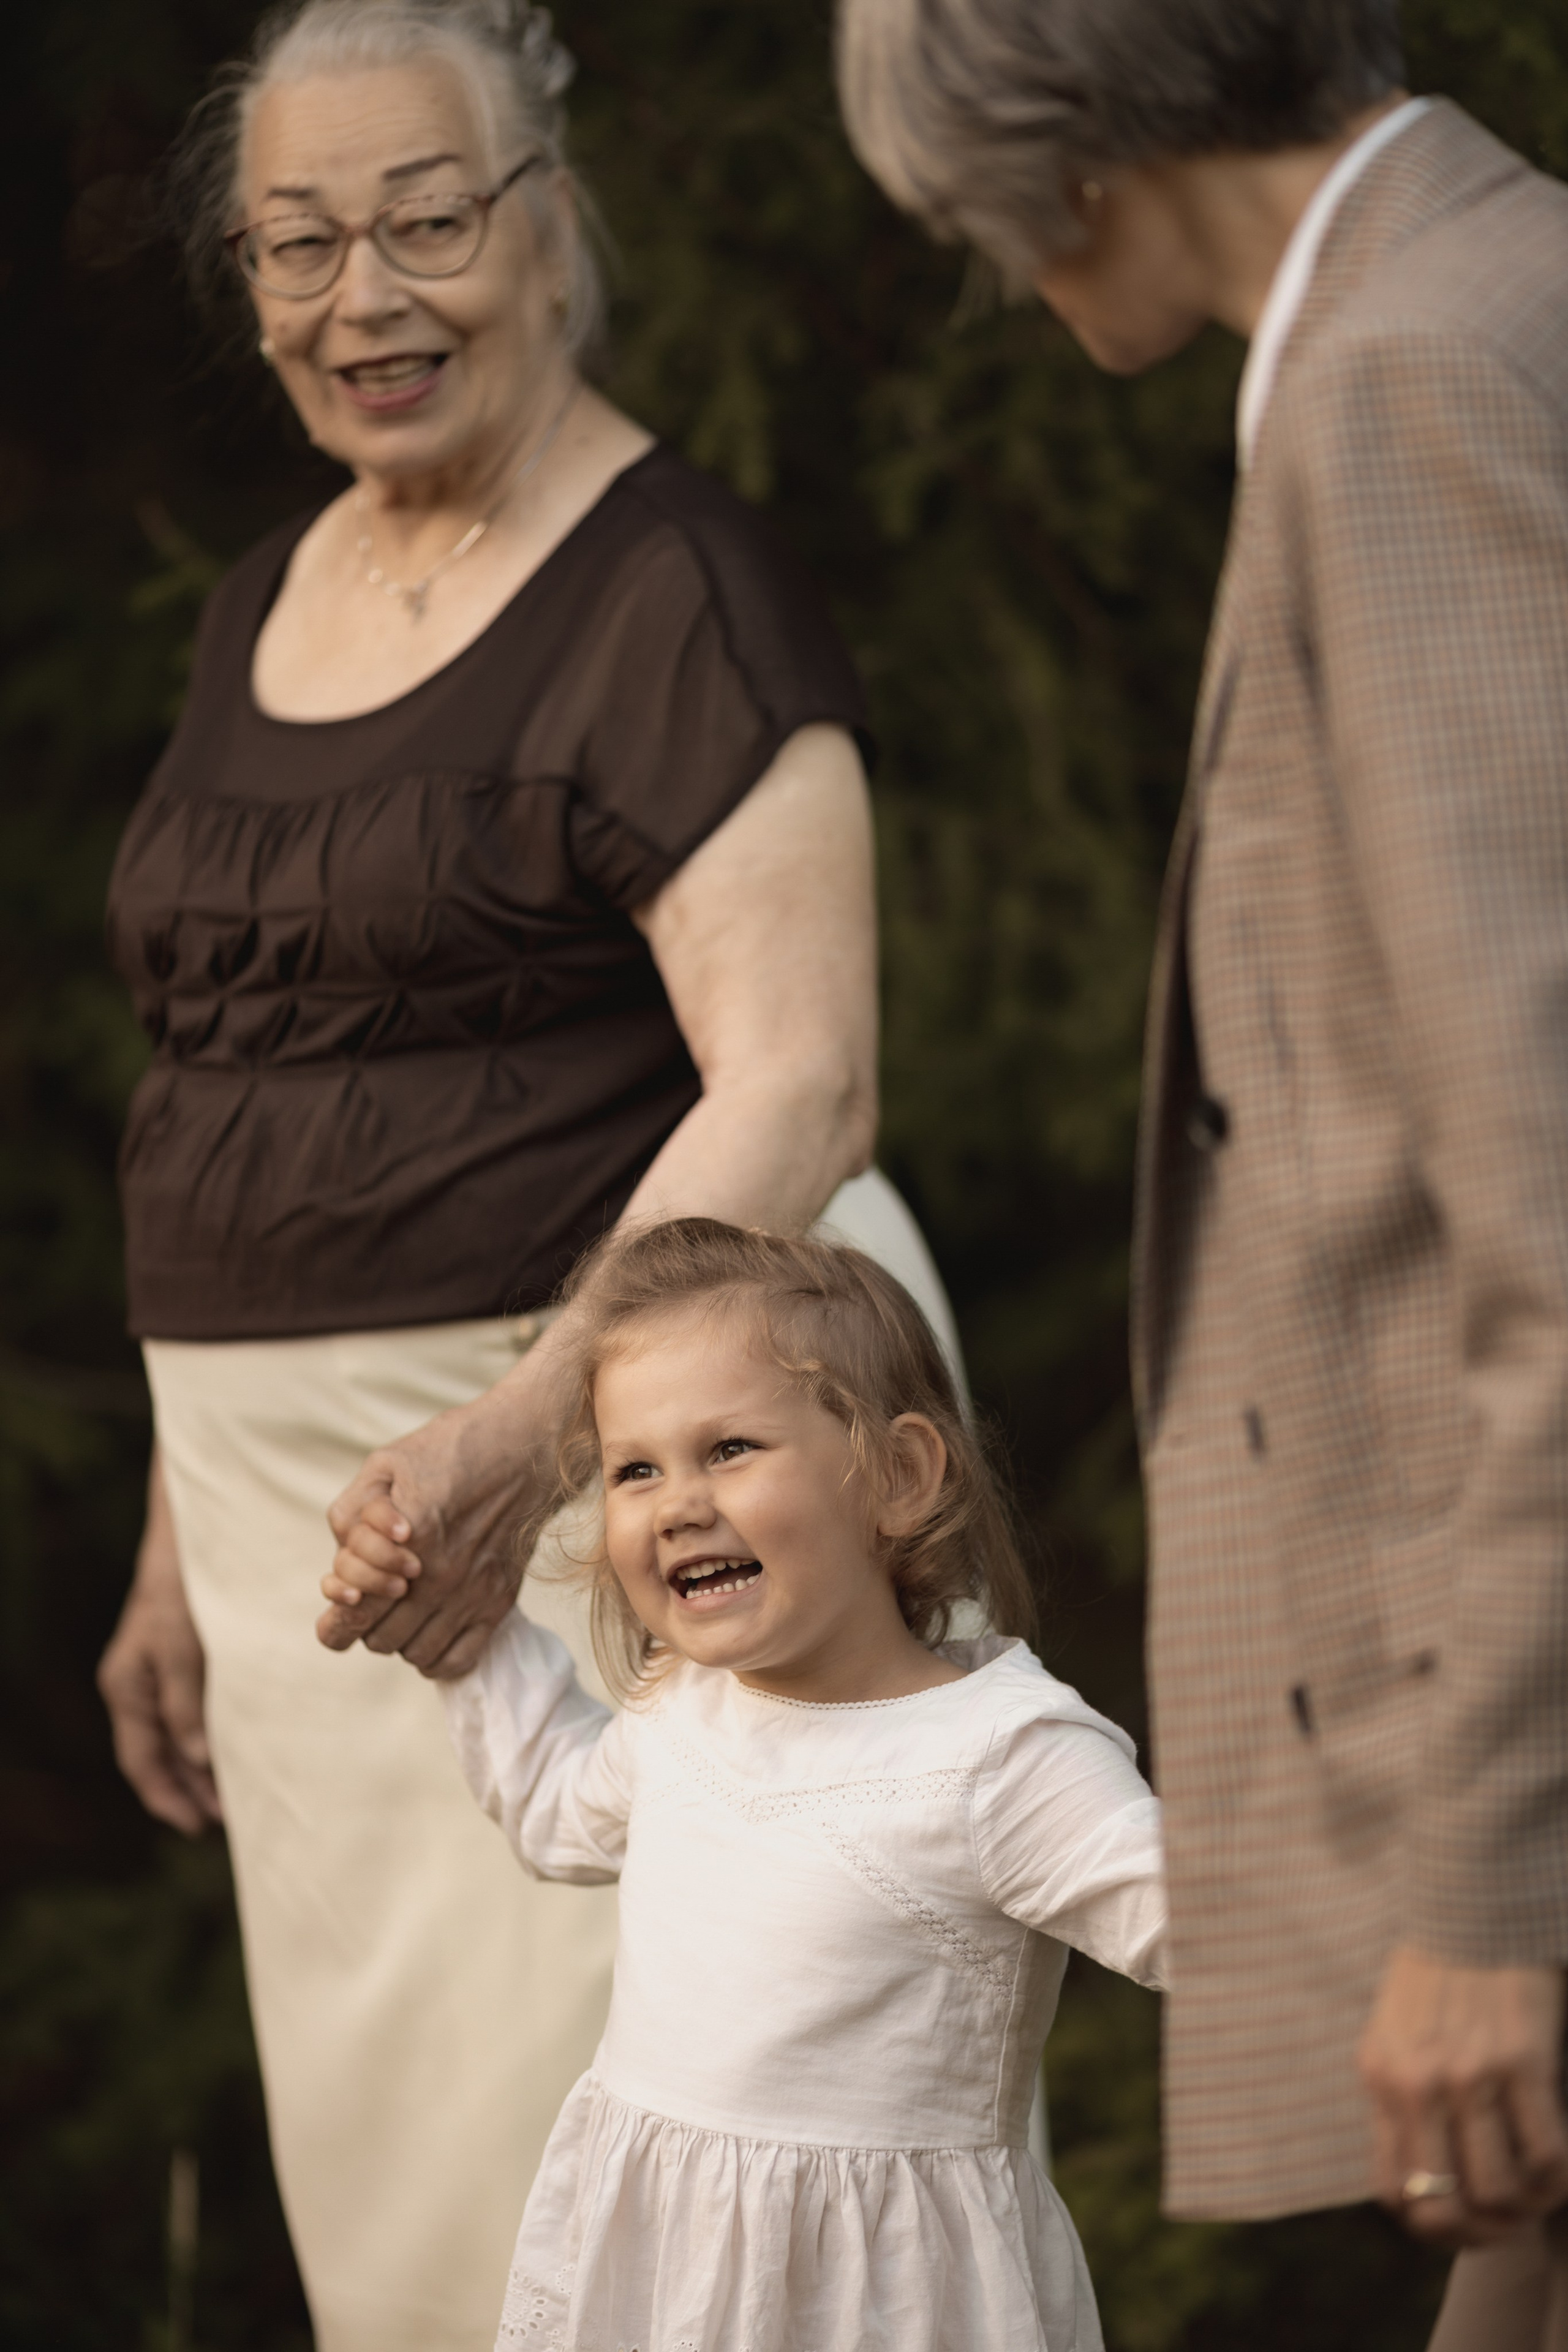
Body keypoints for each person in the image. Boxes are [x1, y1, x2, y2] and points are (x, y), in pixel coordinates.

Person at [95, 5, 963, 2347]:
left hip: (596, 1519)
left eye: (424, 219)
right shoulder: (252, 606)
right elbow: (233, 1065)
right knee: (401, 2219)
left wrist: (522, 1441)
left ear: (550, 220)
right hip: (307, 1543)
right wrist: (186, 1529)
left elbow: (801, 1090)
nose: (361, 295)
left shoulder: (674, 585)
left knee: (624, 2218)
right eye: (296, 242)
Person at [835, 0, 1568, 2342]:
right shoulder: (1509, 276)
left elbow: (1550, 1207)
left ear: (1056, 166)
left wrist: (1488, 1886)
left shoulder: (1407, 387)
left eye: (967, 225)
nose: (998, 275)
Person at [326, 1218, 1166, 2351]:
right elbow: (556, 1809)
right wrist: (463, 1633)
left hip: (882, 2306)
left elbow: (1209, 1927)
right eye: (635, 1468)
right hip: (663, 2285)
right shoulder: (683, 1708)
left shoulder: (1000, 1758)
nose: (676, 1502)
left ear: (900, 1476)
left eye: (729, 1449)